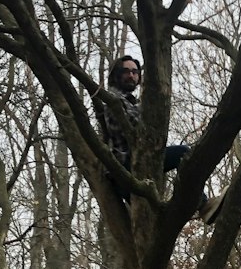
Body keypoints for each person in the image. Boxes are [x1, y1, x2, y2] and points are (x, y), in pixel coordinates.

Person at [94, 54, 223, 223]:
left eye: (135, 72)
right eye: (126, 71)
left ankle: (192, 205)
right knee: (183, 153)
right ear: (117, 75)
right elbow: (139, 130)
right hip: (126, 168)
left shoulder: (131, 103)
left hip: (135, 168)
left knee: (150, 217)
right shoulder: (115, 101)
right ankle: (202, 204)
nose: (131, 75)